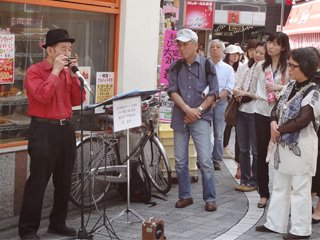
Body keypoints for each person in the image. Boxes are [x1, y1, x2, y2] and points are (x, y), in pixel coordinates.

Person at [19, 29, 86, 239]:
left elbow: (77, 101)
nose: (68, 53)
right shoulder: (34, 71)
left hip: (66, 129)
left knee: (64, 179)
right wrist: (55, 72)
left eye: (70, 49)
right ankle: (28, 229)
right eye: (63, 49)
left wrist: (75, 76)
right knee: (38, 181)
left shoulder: (68, 72)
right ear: (49, 50)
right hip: (43, 129)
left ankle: (58, 223)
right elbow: (42, 96)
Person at [256, 47, 320, 240]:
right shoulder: (291, 86)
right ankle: (275, 223)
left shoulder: (315, 92)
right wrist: (274, 122)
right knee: (280, 185)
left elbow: (303, 119)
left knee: (301, 189)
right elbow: (276, 107)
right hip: (283, 146)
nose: (289, 68)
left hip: (302, 147)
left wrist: (278, 129)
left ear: (306, 68)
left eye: (293, 65)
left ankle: (301, 230)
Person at [168, 29, 219, 211]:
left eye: (185, 44)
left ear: (196, 45)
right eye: (179, 44)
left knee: (205, 159)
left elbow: (214, 92)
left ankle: (210, 198)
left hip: (200, 117)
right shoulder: (175, 66)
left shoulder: (207, 65)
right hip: (181, 118)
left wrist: (197, 110)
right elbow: (172, 91)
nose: (181, 48)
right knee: (180, 161)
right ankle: (185, 195)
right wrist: (187, 110)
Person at [250, 32, 290, 208]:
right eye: (269, 43)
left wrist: (279, 87)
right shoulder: (260, 66)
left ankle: (283, 195)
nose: (270, 46)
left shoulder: (288, 66)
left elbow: (296, 87)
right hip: (261, 112)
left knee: (283, 155)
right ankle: (264, 194)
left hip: (281, 115)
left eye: (275, 43)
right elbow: (253, 88)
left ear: (283, 47)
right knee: (259, 154)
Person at [233, 41, 266, 192]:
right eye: (256, 51)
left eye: (261, 52)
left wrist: (245, 94)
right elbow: (239, 83)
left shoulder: (266, 70)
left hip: (255, 113)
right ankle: (245, 179)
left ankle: (255, 180)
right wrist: (237, 92)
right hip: (242, 110)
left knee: (256, 151)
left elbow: (263, 93)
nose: (257, 55)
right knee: (243, 149)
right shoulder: (249, 67)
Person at [209, 39, 235, 170]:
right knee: (204, 132)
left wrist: (216, 100)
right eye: (212, 47)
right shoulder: (204, 66)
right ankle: (204, 158)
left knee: (219, 134)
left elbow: (229, 88)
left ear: (223, 51)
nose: (215, 49)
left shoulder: (228, 69)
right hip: (205, 103)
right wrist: (208, 101)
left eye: (218, 47)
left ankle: (216, 159)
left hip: (221, 103)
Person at [222, 45, 241, 164]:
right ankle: (224, 148)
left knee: (229, 124)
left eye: (237, 54)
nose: (235, 56)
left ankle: (226, 148)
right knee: (227, 124)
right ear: (227, 54)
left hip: (231, 99)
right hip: (226, 99)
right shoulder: (226, 67)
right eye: (233, 54)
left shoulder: (235, 67)